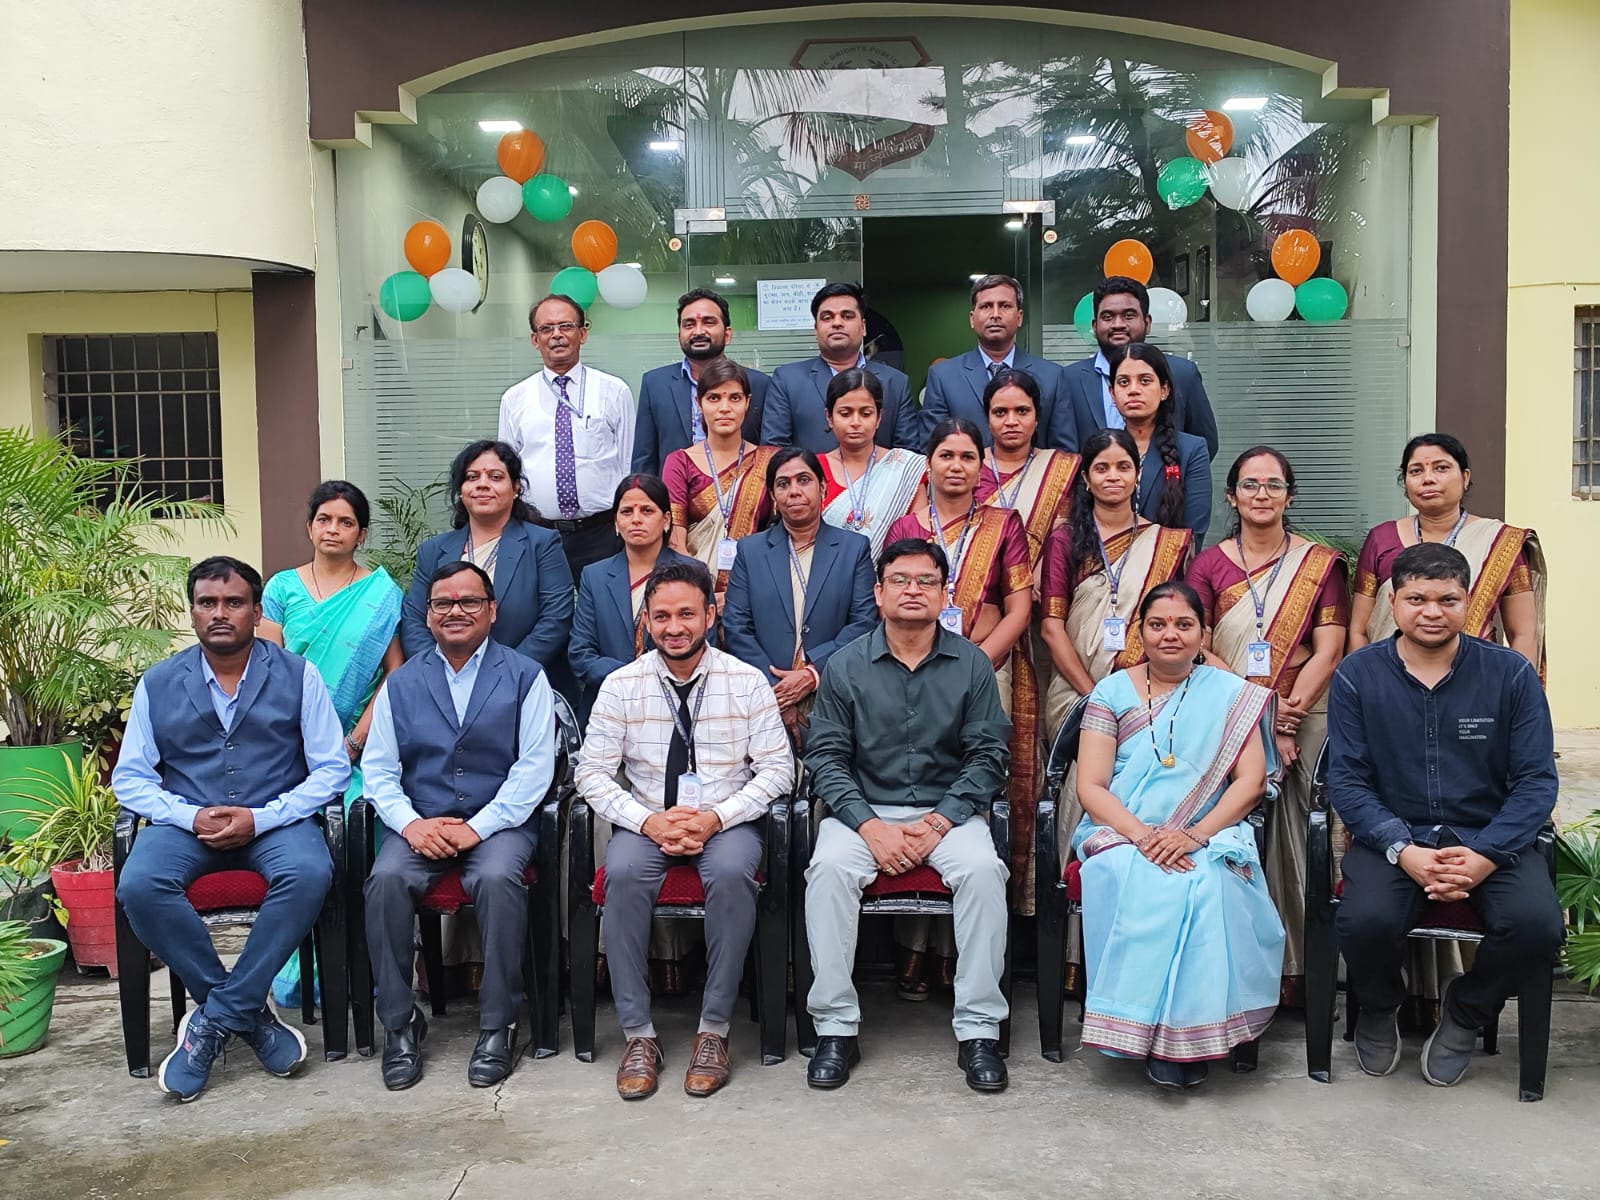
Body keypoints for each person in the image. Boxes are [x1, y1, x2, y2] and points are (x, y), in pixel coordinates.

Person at [113, 556, 349, 1102]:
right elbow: (130, 778)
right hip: (187, 823)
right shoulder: (158, 682)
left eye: (234, 602)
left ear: (257, 612)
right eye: (207, 603)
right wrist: (188, 815)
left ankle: (213, 1019)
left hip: (274, 821)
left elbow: (332, 768)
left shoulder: (298, 674)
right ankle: (249, 1016)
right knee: (140, 885)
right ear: (192, 611)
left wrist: (263, 816)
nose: (220, 613)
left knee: (309, 871)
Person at [1327, 543, 1562, 1088]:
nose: (1431, 612)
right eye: (1417, 599)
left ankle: (1466, 1012)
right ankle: (1380, 1006)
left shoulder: (1509, 674)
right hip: (1396, 837)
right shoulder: (1359, 675)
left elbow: (1536, 781)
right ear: (1393, 601)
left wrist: (1486, 855)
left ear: (1468, 601)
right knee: (1364, 921)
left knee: (1537, 925)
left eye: (1447, 599)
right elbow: (1349, 782)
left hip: (1490, 837)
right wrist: (1402, 849)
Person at [575, 559, 793, 1100]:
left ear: (710, 616)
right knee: (622, 874)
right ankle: (638, 1035)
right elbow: (591, 772)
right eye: (662, 616)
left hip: (725, 821)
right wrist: (647, 821)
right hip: (647, 820)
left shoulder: (747, 682)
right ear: (646, 621)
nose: (675, 627)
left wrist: (716, 817)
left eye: (687, 614)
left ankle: (713, 1030)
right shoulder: (621, 685)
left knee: (733, 872)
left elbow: (778, 770)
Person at [802, 539, 1013, 1093]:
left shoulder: (972, 664)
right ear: (879, 592)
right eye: (900, 580)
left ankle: (979, 1030)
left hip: (948, 814)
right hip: (863, 812)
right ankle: (835, 1028)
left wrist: (940, 822)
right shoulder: (845, 665)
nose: (913, 590)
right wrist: (869, 825)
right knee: (828, 871)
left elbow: (989, 755)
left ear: (945, 594)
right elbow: (825, 757)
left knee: (984, 873)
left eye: (926, 581)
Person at [1073, 582, 1282, 1090]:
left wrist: (1194, 835)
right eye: (1158, 624)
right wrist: (1143, 836)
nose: (1171, 634)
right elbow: (1091, 786)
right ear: (1140, 632)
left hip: (1207, 832)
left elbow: (1251, 782)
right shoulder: (1111, 692)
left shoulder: (1231, 696)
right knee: (1140, 876)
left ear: (1203, 633)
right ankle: (1139, 1030)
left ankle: (1185, 1039)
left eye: (1184, 624)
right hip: (1122, 832)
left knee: (1208, 883)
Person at [361, 562, 556, 1090]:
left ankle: (498, 1025)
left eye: (469, 601)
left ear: (492, 611)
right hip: (421, 823)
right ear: (428, 615)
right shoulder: (401, 683)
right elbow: (378, 770)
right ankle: (400, 1024)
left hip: (501, 824)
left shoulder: (526, 676)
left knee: (496, 878)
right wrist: (410, 825)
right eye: (443, 603)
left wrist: (481, 826)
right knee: (385, 881)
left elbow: (535, 767)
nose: (456, 611)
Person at [1187, 447, 1347, 1005]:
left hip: (1307, 710)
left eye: (1274, 485)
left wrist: (1287, 712)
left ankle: (1303, 969)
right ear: (1231, 497)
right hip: (1228, 709)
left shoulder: (1318, 564)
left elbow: (1330, 647)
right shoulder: (1209, 564)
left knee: (1306, 833)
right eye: (1250, 485)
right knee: (1230, 832)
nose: (1262, 494)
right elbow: (1199, 644)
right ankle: (1239, 968)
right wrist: (1260, 707)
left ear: (1289, 496)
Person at [260, 480, 404, 1008]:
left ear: (361, 534)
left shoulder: (382, 595)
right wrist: (302, 745)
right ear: (309, 526)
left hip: (355, 750)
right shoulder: (282, 588)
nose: (334, 530)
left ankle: (360, 971)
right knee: (298, 845)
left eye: (346, 522)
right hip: (290, 747)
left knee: (362, 827)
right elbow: (269, 670)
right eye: (325, 519)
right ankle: (302, 974)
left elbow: (394, 674)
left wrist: (356, 741)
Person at [886, 419, 1038, 907]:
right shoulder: (905, 527)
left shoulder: (1004, 523)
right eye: (946, 456)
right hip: (912, 668)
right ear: (928, 464)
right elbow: (892, 605)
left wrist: (972, 664)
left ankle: (980, 903)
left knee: (981, 772)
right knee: (919, 769)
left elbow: (1019, 609)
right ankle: (915, 930)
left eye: (968, 457)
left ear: (981, 466)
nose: (956, 466)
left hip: (987, 670)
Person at [1039, 430, 1194, 737]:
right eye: (1102, 468)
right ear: (1086, 478)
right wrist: (1096, 698)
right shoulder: (1065, 540)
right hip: (1076, 694)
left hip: (1150, 694)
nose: (1113, 476)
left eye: (1123, 467)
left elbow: (1178, 623)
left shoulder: (1165, 543)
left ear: (1137, 475)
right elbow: (1051, 628)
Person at [1349, 433, 1545, 675]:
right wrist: (1367, 683)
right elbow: (1359, 631)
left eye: (1441, 468)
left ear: (1465, 477)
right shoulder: (1381, 539)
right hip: (1391, 681)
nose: (1428, 479)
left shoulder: (1500, 541)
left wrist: (1519, 689)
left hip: (1477, 681)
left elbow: (1523, 633)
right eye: (1416, 471)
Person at [722, 446, 879, 740]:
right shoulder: (750, 551)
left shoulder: (853, 548)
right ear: (773, 496)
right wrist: (778, 691)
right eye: (783, 484)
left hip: (834, 694)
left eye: (804, 480)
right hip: (764, 699)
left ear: (823, 488)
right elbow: (736, 626)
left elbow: (864, 623)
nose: (794, 491)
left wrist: (811, 674)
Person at [403, 440, 575, 673]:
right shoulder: (433, 551)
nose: (482, 484)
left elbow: (556, 619)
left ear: (515, 488)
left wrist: (503, 673)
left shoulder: (542, 544)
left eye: (495, 477)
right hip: (444, 680)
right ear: (461, 490)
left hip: (520, 678)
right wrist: (440, 672)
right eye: (472, 477)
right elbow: (414, 620)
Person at [497, 293, 636, 573]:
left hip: (602, 532)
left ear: (583, 334)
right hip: (538, 532)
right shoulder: (515, 398)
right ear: (535, 339)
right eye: (546, 328)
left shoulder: (614, 391)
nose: (557, 335)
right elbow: (506, 472)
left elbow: (628, 463)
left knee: (605, 600)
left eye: (566, 326)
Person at [569, 474, 697, 718]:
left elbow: (701, 644)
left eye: (647, 511)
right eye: (627, 512)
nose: (636, 519)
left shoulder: (692, 572)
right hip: (609, 705)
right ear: (616, 523)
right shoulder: (595, 576)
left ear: (666, 519)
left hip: (677, 701)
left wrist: (658, 678)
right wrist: (630, 678)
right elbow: (580, 653)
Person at [1064, 276, 1219, 458]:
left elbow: (1205, 445)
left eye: (1129, 315)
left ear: (1147, 323)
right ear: (1094, 326)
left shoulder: (1182, 374)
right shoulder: (1069, 379)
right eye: (1107, 317)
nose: (1118, 324)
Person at [663, 359, 777, 599]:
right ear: (699, 404)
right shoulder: (679, 462)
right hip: (694, 593)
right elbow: (675, 542)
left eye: (734, 398)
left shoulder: (770, 461)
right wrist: (704, 595)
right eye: (714, 398)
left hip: (757, 591)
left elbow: (779, 538)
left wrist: (739, 594)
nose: (725, 408)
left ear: (747, 402)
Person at [921, 274, 1076, 451]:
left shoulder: (1052, 377)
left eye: (1005, 306)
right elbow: (932, 450)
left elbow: (1064, 455)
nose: (995, 315)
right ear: (972, 319)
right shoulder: (943, 377)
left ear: (1019, 317)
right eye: (986, 306)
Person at [762, 282, 919, 453]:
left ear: (863, 327)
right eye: (827, 317)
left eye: (847, 316)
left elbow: (908, 453)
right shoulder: (787, 380)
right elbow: (773, 449)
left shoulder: (895, 382)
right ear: (816, 330)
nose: (837, 323)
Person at [632, 288, 770, 475]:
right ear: (679, 336)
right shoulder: (655, 384)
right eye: (689, 324)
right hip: (673, 491)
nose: (698, 331)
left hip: (741, 489)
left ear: (727, 334)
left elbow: (767, 452)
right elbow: (644, 458)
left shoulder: (759, 384)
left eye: (708, 322)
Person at [976, 367, 1080, 579]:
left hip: (1041, 584)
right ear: (987, 419)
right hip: (976, 585)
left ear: (1037, 417)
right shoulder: (970, 467)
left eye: (1022, 411)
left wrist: (1034, 581)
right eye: (1000, 412)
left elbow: (1062, 537)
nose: (1011, 421)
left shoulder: (1060, 468)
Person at [1104, 343, 1211, 545]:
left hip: (1169, 561)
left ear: (1164, 390)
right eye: (1124, 382)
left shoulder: (1191, 450)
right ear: (1112, 393)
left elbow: (1193, 535)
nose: (1133, 390)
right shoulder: (1101, 451)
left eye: (1145, 381)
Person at [817, 368, 927, 558]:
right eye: (845, 413)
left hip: (892, 573)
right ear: (829, 417)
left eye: (866, 414)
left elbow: (917, 537)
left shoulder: (906, 468)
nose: (856, 422)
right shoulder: (812, 469)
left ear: (879, 418)